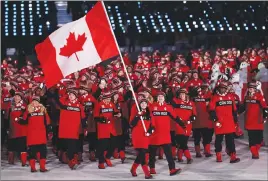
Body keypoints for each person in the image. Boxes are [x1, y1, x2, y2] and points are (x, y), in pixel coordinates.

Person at [148, 91, 182, 176]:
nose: (160, 98)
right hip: (154, 134)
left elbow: (175, 117)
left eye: (162, 97)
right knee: (152, 154)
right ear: (157, 98)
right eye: (159, 96)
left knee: (169, 154)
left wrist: (181, 123)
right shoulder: (152, 107)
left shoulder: (168, 107)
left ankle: (172, 169)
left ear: (164, 98)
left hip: (165, 135)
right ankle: (152, 169)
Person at [55, 87, 87, 170]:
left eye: (73, 95)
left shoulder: (79, 106)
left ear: (76, 96)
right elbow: (58, 102)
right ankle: (71, 160)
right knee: (69, 146)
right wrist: (66, 93)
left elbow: (83, 118)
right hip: (66, 129)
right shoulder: (65, 103)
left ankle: (73, 159)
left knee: (74, 145)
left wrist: (85, 128)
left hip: (75, 129)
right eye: (70, 95)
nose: (71, 96)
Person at [209, 81, 240, 163]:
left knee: (231, 141)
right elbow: (211, 110)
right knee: (218, 140)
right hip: (220, 123)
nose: (222, 90)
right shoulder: (214, 98)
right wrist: (215, 120)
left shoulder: (230, 97)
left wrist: (235, 120)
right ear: (218, 89)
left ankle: (233, 156)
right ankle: (218, 156)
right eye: (221, 88)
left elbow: (234, 110)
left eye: (224, 88)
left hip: (229, 122)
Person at [20, 96, 53, 172]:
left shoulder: (43, 110)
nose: (35, 103)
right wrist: (19, 118)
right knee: (32, 152)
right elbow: (24, 120)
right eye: (33, 101)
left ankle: (42, 167)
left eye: (36, 101)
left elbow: (47, 121)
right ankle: (33, 168)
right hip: (32, 134)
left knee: (43, 152)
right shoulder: (28, 110)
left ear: (39, 102)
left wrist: (49, 131)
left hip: (41, 134)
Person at [239, 82, 268, 159]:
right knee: (251, 139)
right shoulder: (246, 98)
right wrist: (238, 113)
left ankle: (255, 150)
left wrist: (265, 117)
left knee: (259, 140)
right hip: (249, 122)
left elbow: (265, 107)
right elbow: (243, 107)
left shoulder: (259, 97)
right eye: (249, 88)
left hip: (258, 122)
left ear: (255, 89)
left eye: (252, 88)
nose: (250, 89)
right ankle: (254, 153)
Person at [93, 91, 121, 169]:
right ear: (103, 98)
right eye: (106, 98)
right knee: (102, 146)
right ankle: (101, 162)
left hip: (111, 128)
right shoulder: (99, 105)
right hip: (103, 128)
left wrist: (118, 114)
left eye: (109, 98)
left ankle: (107, 157)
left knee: (114, 143)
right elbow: (95, 117)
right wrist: (102, 120)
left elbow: (115, 112)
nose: (108, 100)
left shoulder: (112, 104)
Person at [130, 99, 155, 179]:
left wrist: (149, 132)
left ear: (147, 105)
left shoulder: (150, 114)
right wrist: (137, 116)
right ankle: (147, 173)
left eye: (145, 103)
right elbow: (131, 124)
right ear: (140, 105)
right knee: (142, 154)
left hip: (145, 135)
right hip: (137, 135)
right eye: (142, 103)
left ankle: (133, 169)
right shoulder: (136, 113)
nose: (143, 104)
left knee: (141, 154)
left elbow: (153, 126)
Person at [172, 88, 197, 163]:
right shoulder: (175, 101)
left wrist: (192, 118)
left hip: (188, 125)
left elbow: (194, 114)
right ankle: (188, 157)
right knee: (182, 142)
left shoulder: (191, 103)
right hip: (179, 124)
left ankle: (179, 157)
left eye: (183, 94)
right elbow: (171, 110)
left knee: (183, 142)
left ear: (186, 95)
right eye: (181, 94)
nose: (182, 95)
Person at [6, 91, 28, 166]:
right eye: (15, 96)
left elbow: (27, 117)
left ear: (21, 98)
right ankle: (10, 160)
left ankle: (23, 162)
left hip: (22, 130)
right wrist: (7, 128)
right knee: (11, 146)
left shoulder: (24, 106)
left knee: (23, 146)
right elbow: (6, 118)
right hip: (13, 130)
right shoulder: (10, 106)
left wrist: (21, 119)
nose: (16, 98)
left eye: (18, 96)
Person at [191, 86, 213, 158]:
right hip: (197, 121)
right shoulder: (192, 99)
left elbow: (209, 106)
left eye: (200, 90)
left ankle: (206, 152)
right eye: (198, 90)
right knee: (197, 138)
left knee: (205, 137)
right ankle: (199, 152)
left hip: (204, 120)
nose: (200, 91)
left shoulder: (205, 98)